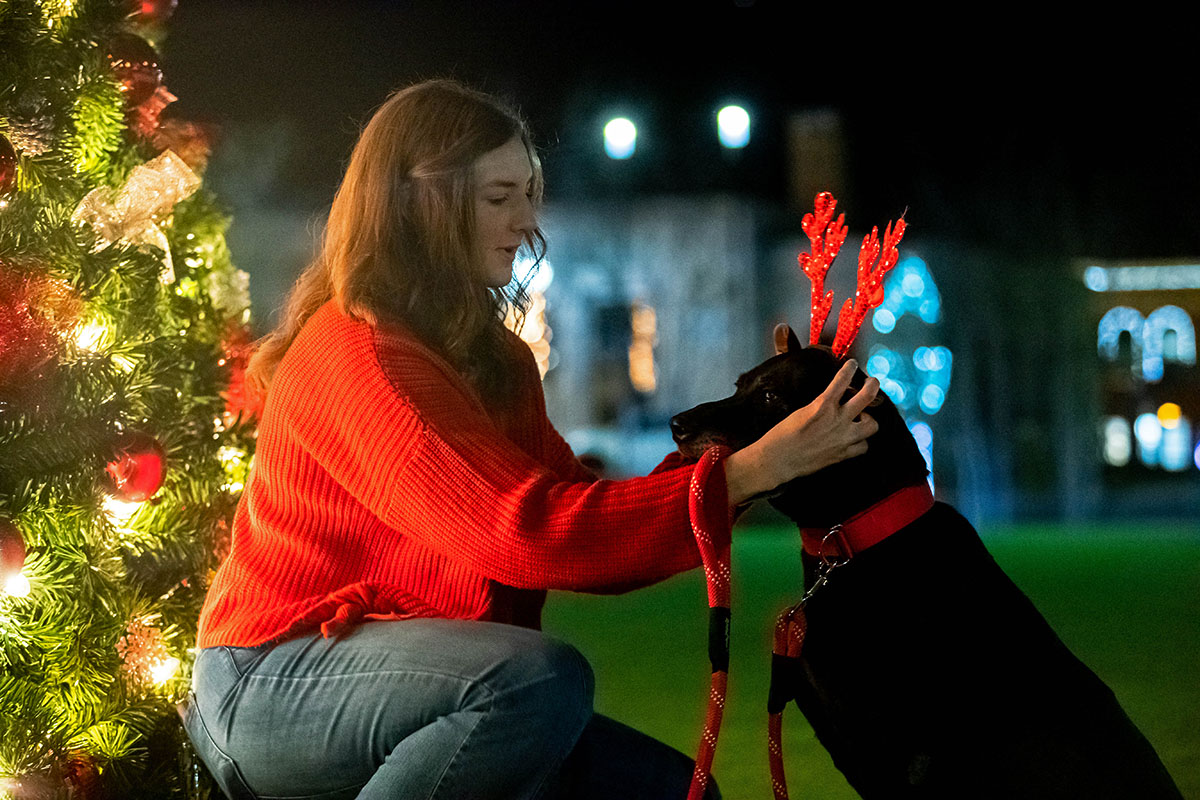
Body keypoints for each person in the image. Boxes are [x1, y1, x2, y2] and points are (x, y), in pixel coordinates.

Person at [182, 79, 880, 800]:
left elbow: (581, 508)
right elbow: (522, 533)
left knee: (673, 790)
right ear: (423, 204)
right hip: (271, 682)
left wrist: (748, 445)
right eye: (497, 198)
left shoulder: (493, 359)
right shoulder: (359, 354)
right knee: (536, 679)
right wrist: (751, 473)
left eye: (528, 192)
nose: (524, 220)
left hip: (417, 687)